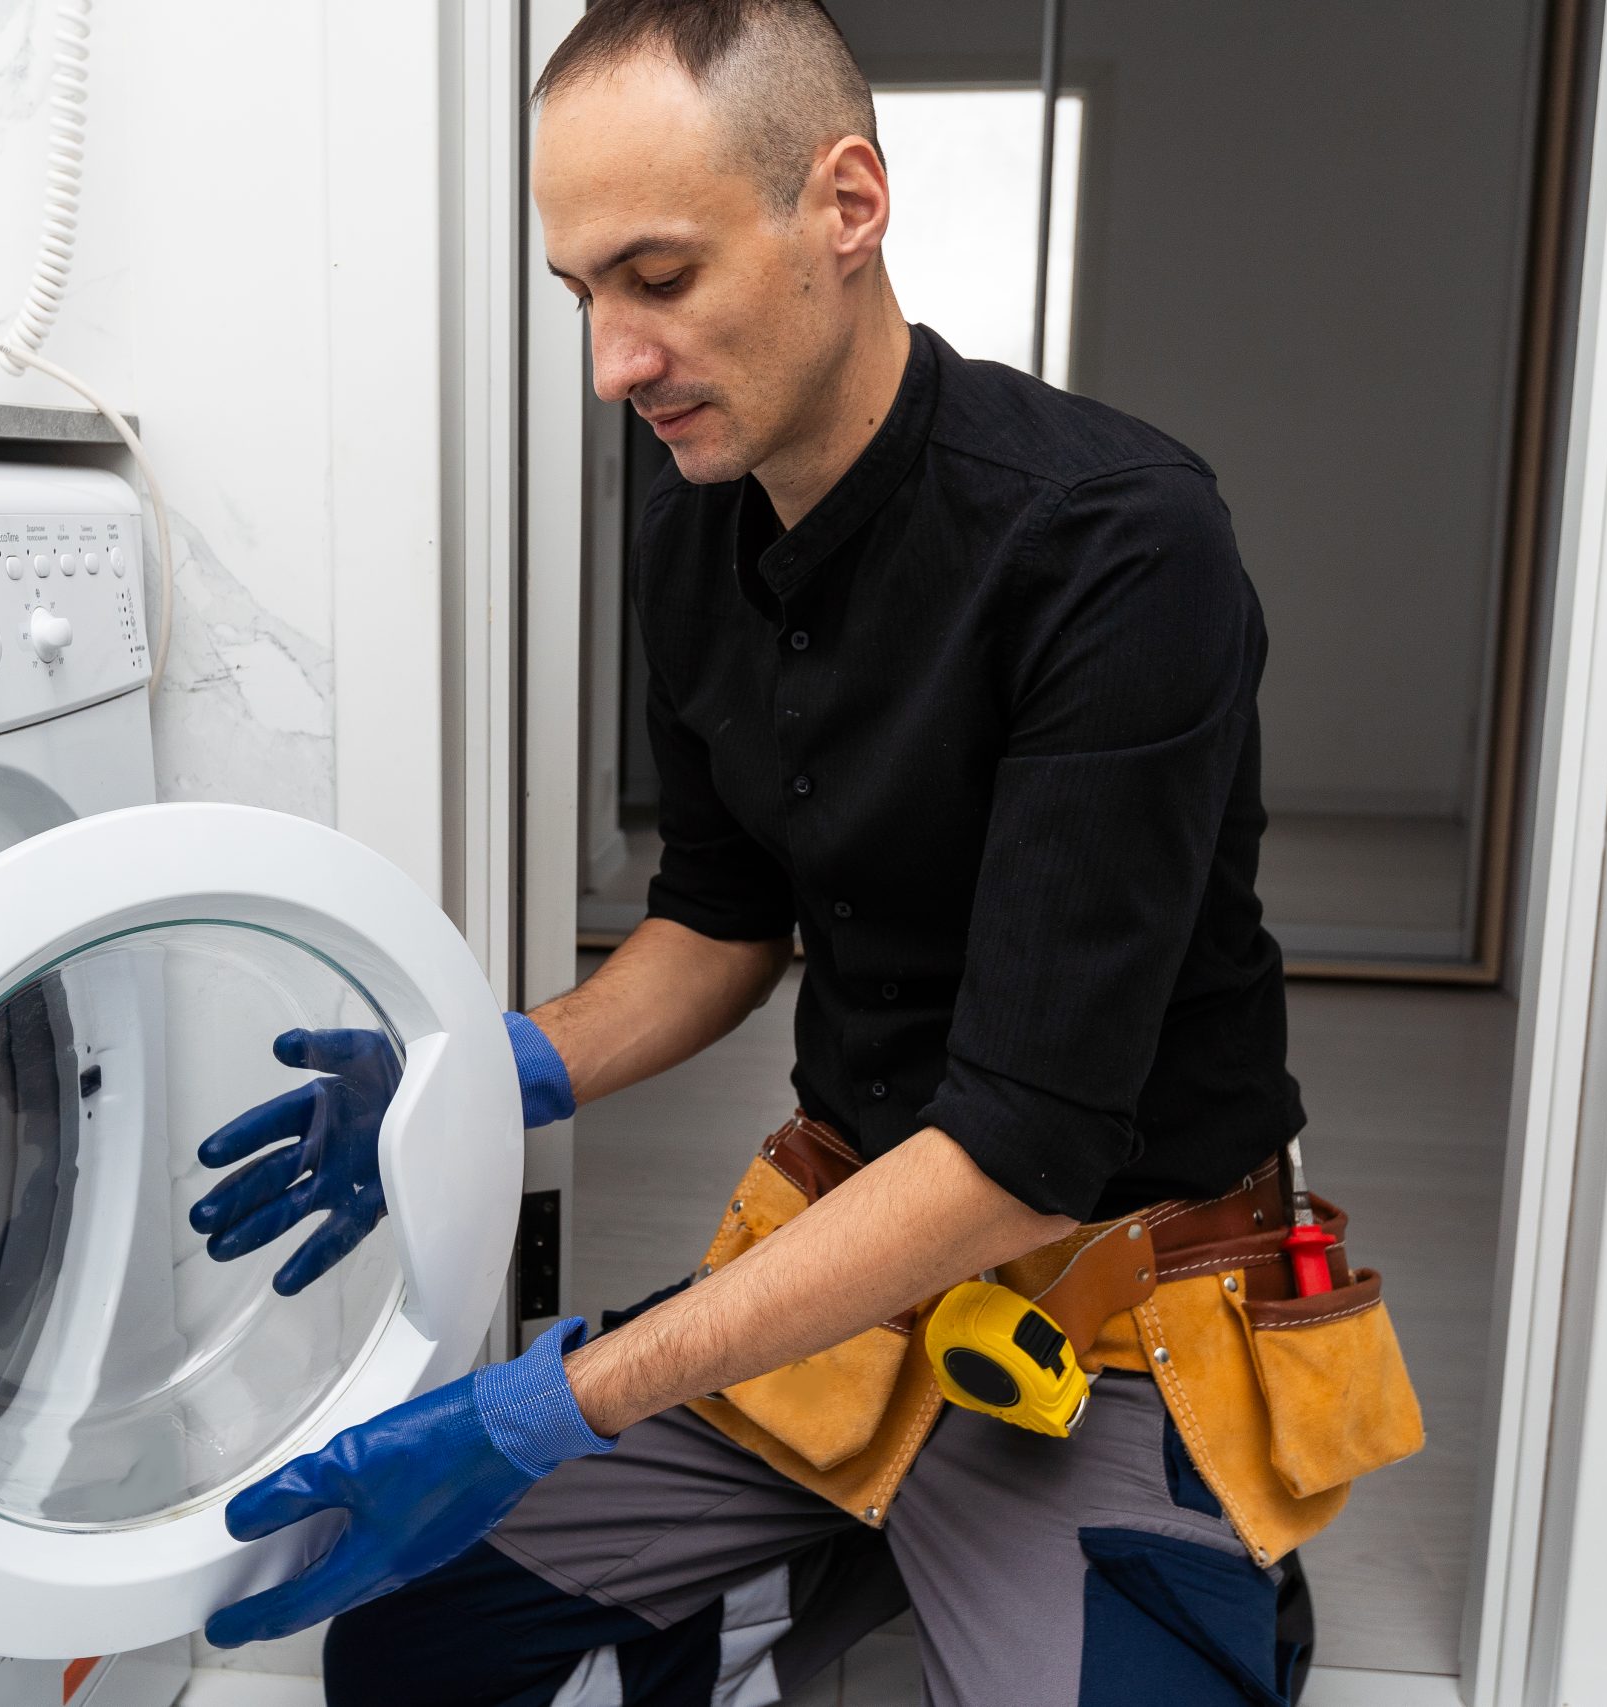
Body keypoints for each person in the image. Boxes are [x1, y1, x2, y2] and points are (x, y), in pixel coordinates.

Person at [185, 2, 1368, 1700]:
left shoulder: (1117, 546)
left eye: (659, 278)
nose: (614, 363)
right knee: (413, 1654)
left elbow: (1026, 1148)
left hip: (1108, 1312)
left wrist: (550, 1399)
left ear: (848, 206)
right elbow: (721, 921)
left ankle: (1137, 1551)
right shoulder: (694, 530)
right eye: (582, 295)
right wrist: (484, 1076)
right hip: (852, 1276)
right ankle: (840, 1538)